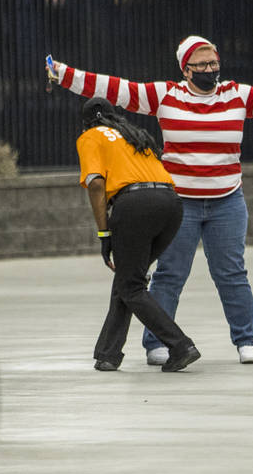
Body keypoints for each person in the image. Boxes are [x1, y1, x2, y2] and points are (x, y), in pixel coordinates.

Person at [48, 39, 253, 367]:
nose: (211, 70)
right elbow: (116, 89)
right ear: (186, 69)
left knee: (232, 272)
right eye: (202, 65)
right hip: (181, 203)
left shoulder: (237, 95)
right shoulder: (166, 95)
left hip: (228, 200)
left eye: (214, 63)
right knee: (170, 273)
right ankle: (156, 343)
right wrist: (64, 74)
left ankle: (246, 340)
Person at [76, 97, 202, 372]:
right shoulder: (134, 135)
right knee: (128, 278)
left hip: (134, 206)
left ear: (86, 123)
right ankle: (108, 353)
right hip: (171, 203)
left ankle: (180, 345)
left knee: (131, 286)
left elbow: (96, 184)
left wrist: (104, 232)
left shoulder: (90, 136)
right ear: (113, 116)